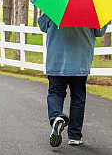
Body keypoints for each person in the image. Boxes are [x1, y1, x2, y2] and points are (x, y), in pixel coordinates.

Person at [38, 13, 107, 147]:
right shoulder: (92, 8)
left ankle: (56, 117)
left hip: (57, 60)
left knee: (55, 92)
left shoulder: (53, 4)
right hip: (80, 61)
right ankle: (75, 135)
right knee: (78, 97)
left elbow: (42, 26)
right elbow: (100, 31)